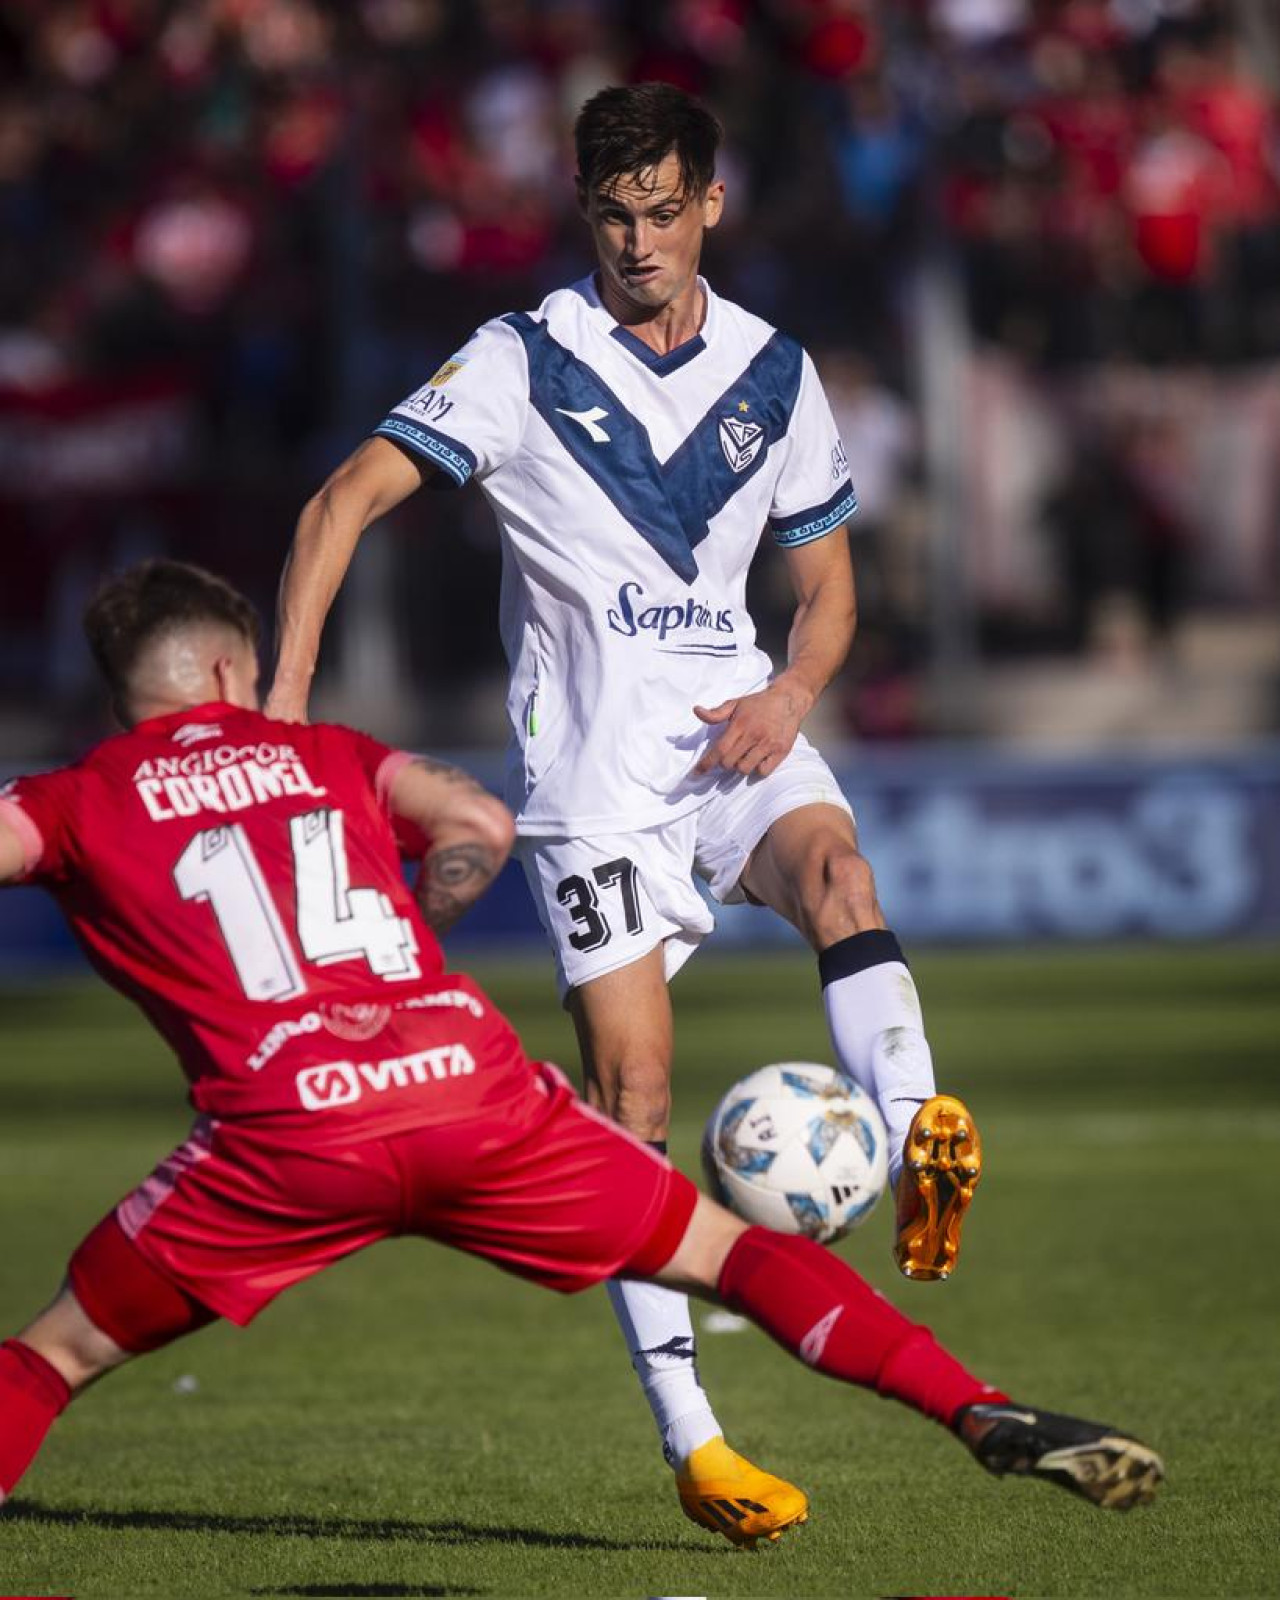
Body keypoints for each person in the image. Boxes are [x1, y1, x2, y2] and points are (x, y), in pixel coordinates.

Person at [0, 560, 1161, 1540]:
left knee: (53, 1355)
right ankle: (973, 1405)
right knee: (720, 1253)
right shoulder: (332, 756)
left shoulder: (75, 795)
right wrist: (400, 948)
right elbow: (481, 826)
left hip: (288, 1134)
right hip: (465, 1083)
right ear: (223, 673)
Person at [266, 82, 982, 1538]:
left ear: (711, 205)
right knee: (634, 1103)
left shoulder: (778, 374)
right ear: (584, 215)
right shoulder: (523, 362)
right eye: (614, 213)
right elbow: (341, 501)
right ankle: (697, 1440)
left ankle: (918, 1139)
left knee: (841, 873)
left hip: (737, 730)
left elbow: (830, 591)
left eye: (664, 210)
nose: (641, 239)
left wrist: (793, 694)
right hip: (596, 786)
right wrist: (280, 707)